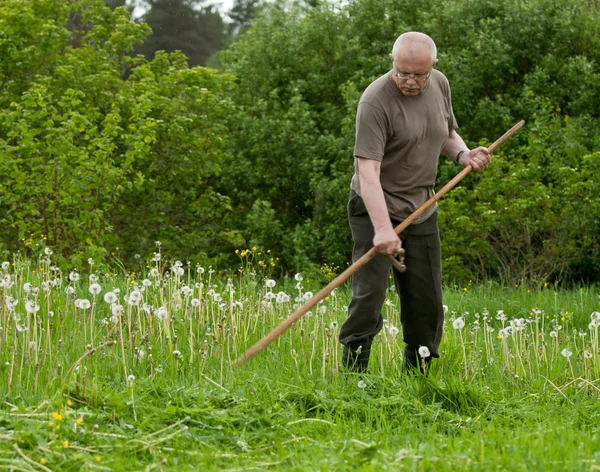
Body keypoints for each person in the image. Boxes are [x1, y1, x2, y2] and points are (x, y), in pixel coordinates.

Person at [338, 32, 491, 373]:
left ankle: (416, 380)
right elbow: (367, 170)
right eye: (402, 72)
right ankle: (353, 382)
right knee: (369, 296)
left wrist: (464, 155)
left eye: (418, 75)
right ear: (392, 61)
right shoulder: (374, 101)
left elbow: (445, 133)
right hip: (374, 208)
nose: (409, 81)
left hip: (422, 209)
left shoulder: (439, 84)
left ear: (432, 68)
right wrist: (382, 230)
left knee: (427, 301)